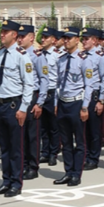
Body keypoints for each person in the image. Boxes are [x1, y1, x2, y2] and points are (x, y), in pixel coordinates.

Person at [0, 20, 34, 197]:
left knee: (16, 148)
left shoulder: (22, 56)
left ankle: (16, 182)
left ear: (14, 35)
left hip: (14, 105)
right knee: (5, 147)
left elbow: (28, 85)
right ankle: (6, 181)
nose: (1, 35)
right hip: (0, 105)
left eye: (5, 32)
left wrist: (23, 108)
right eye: (1, 32)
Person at [53, 27, 96, 186]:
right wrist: (57, 103)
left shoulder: (84, 59)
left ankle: (76, 174)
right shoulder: (61, 59)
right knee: (65, 141)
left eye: (69, 38)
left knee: (79, 141)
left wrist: (85, 107)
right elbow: (58, 84)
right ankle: (68, 171)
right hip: (63, 103)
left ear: (77, 40)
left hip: (76, 103)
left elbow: (89, 85)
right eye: (64, 38)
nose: (66, 41)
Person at [17, 25, 49, 180]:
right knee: (20, 134)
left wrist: (40, 103)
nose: (20, 39)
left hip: (33, 98)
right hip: (19, 97)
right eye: (19, 36)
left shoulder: (38, 55)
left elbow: (44, 80)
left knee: (32, 135)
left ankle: (33, 166)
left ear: (31, 37)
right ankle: (22, 164)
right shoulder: (17, 54)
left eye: (23, 36)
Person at [79, 27, 104, 170]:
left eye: (86, 39)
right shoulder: (81, 56)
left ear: (95, 40)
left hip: (94, 95)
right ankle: (84, 155)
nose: (83, 41)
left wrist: (101, 100)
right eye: (82, 39)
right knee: (82, 129)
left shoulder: (101, 57)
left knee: (94, 130)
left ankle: (93, 158)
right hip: (82, 95)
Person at [39, 27, 61, 166]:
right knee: (42, 126)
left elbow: (60, 79)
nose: (42, 39)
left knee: (53, 126)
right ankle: (45, 152)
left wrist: (57, 99)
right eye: (42, 37)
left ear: (53, 40)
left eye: (46, 37)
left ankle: (53, 153)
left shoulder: (58, 56)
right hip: (42, 93)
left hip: (53, 93)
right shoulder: (38, 55)